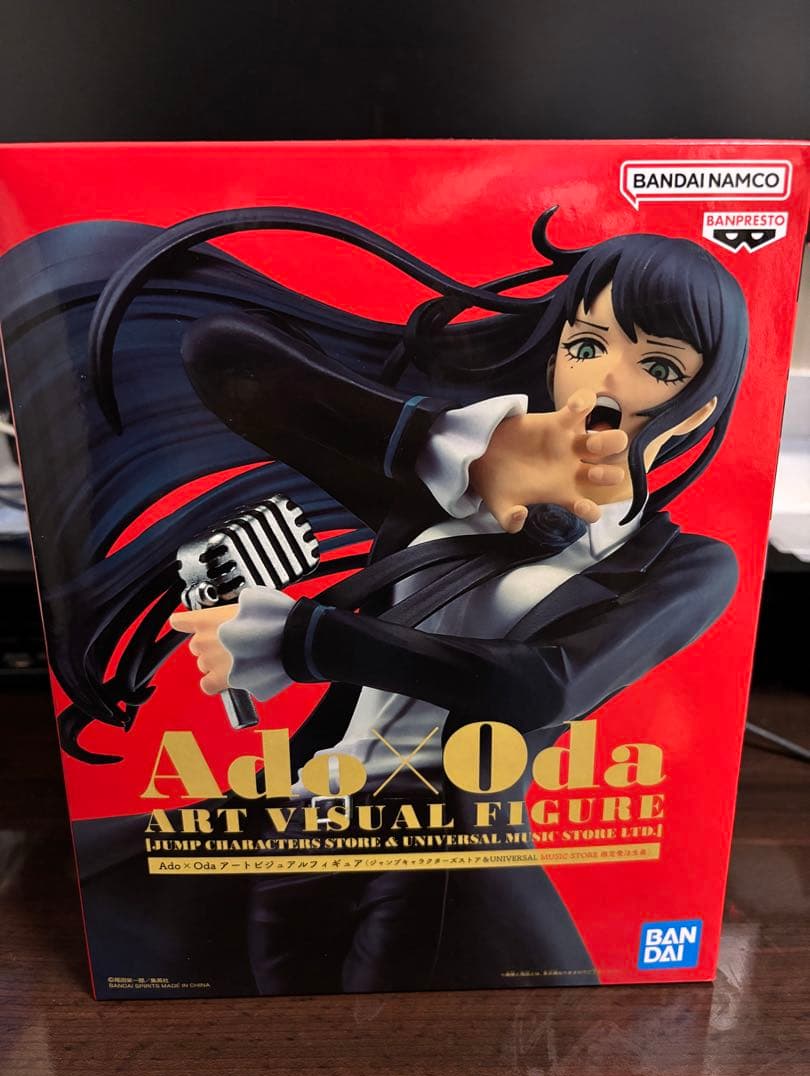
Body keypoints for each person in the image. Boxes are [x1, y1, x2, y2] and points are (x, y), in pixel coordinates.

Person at [0, 207, 748, 993]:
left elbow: (544, 685)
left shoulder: (683, 565)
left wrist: (309, 639)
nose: (604, 382)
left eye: (658, 365)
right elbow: (220, 355)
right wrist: (448, 445)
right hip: (301, 823)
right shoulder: (451, 485)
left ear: (700, 404)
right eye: (587, 345)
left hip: (436, 859)